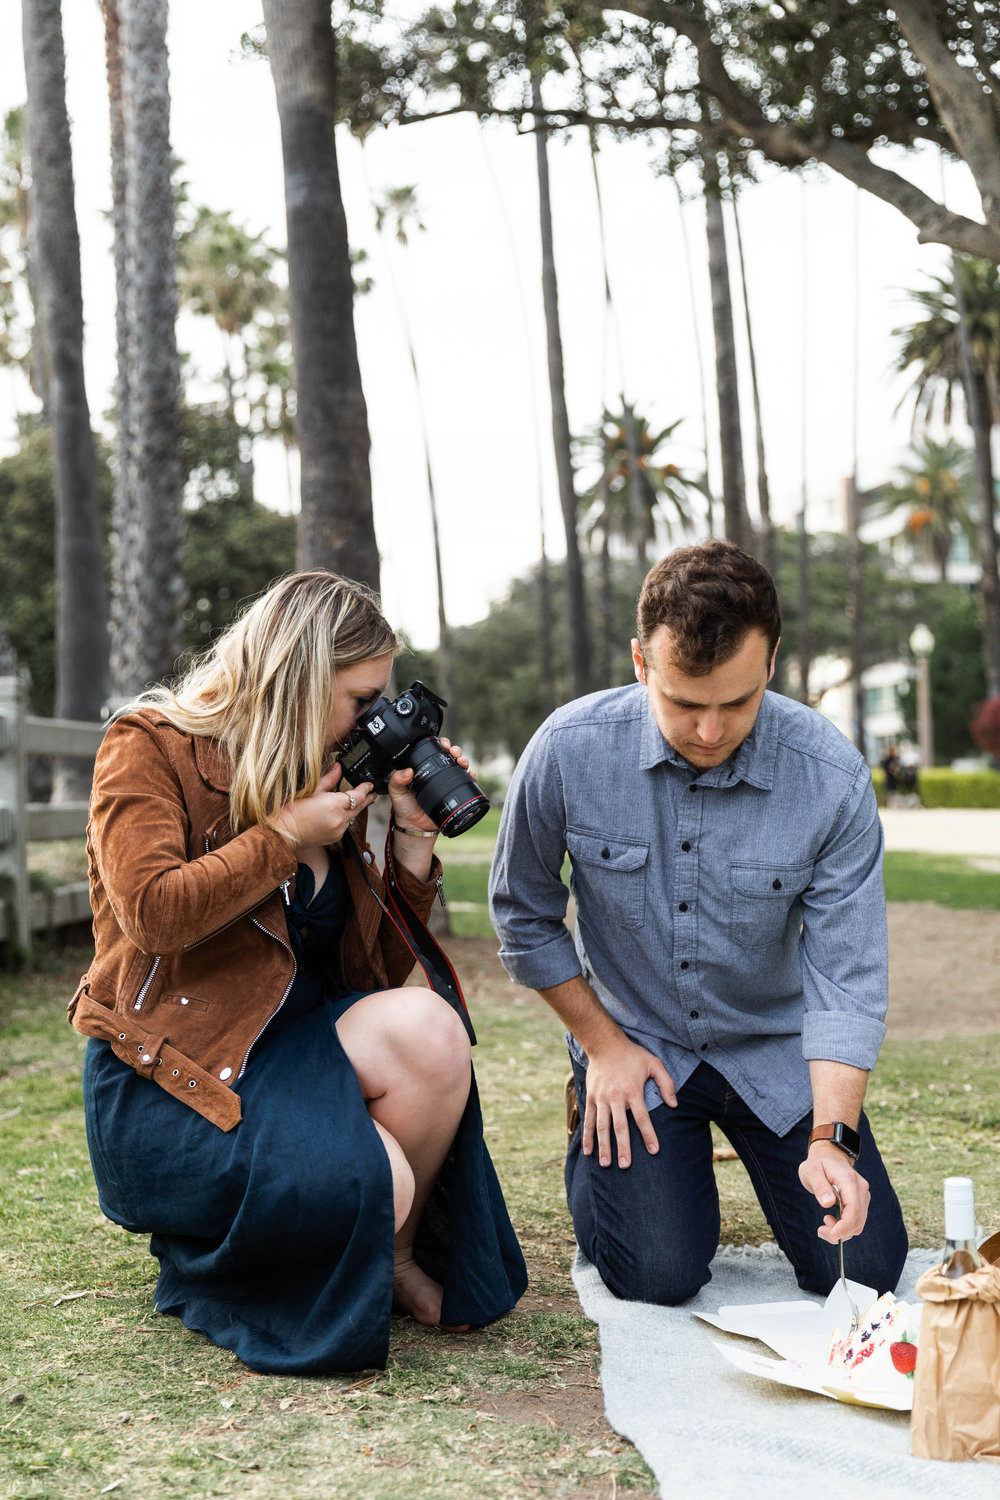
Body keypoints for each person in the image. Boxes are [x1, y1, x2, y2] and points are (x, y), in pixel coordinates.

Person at [71, 571, 526, 1375]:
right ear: (300, 676)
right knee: (377, 1182)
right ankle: (216, 1255)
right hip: (181, 1074)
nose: (374, 721)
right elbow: (152, 912)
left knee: (431, 1030)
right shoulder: (149, 746)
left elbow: (375, 980)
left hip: (302, 1051)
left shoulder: (326, 777)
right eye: (361, 698)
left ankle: (399, 1257)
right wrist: (283, 835)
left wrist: (411, 843)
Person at [489, 541, 907, 1306]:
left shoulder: (832, 777)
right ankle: (594, 1110)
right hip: (636, 1044)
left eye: (737, 703)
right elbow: (523, 913)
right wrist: (602, 1046)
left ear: (772, 662)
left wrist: (832, 1139)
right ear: (642, 664)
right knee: (658, 1273)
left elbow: (846, 979)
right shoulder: (565, 750)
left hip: (775, 1054)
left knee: (863, 1271)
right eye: (686, 703)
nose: (711, 732)